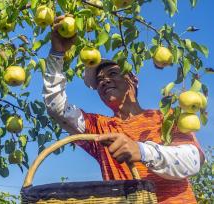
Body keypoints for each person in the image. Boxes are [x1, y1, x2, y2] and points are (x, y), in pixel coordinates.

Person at [42, 16, 205, 203]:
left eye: (112, 73)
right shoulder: (99, 127)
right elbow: (57, 107)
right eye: (99, 80)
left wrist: (142, 151)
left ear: (133, 80)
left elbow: (193, 161)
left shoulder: (166, 117)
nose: (104, 80)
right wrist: (57, 54)